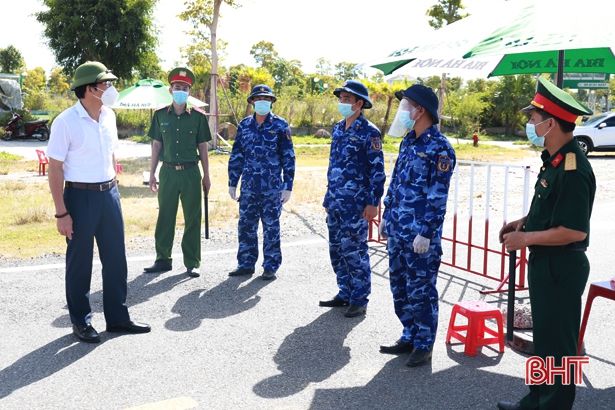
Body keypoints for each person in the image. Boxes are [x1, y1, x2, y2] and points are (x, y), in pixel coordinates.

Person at [497, 78, 595, 410]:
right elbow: (550, 209)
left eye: (533, 118)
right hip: (546, 265)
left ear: (550, 123)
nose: (529, 123)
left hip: (562, 266)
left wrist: (525, 239)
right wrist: (524, 222)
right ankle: (536, 401)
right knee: (546, 343)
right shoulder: (554, 160)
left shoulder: (574, 167)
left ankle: (556, 405)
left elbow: (574, 231)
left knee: (561, 346)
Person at [47, 61, 150, 343]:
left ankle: (117, 318)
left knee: (116, 259)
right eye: (105, 83)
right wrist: (61, 213)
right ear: (90, 89)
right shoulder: (65, 122)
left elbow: (110, 153)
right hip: (79, 197)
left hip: (109, 195)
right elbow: (54, 168)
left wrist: (113, 181)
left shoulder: (109, 116)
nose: (110, 88)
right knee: (80, 263)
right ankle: (81, 321)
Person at [379, 84, 455, 367]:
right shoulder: (408, 141)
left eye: (406, 105)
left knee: (421, 290)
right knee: (399, 287)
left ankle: (424, 343)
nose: (403, 110)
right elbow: (396, 181)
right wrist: (387, 215)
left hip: (420, 237)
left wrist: (427, 232)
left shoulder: (440, 149)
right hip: (399, 230)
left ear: (420, 110)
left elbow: (438, 196)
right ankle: (409, 334)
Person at [319, 80, 386, 318]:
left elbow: (377, 171)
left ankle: (359, 298)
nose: (343, 103)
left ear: (359, 104)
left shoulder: (370, 133)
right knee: (336, 249)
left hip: (356, 205)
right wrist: (328, 197)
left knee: (355, 251)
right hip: (336, 201)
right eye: (341, 99)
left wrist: (372, 202)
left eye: (347, 99)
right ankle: (345, 292)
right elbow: (333, 165)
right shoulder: (338, 128)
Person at [144, 67, 212, 278]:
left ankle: (192, 262)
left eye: (184, 87)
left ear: (189, 91)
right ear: (170, 90)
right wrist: (152, 173)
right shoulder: (160, 115)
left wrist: (206, 175)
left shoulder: (198, 118)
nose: (180, 90)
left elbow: (202, 148)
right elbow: (156, 146)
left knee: (193, 217)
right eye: (176, 87)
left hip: (191, 172)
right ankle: (163, 259)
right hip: (168, 172)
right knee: (165, 216)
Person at [227, 84, 295, 281]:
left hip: (272, 188)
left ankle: (270, 266)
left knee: (271, 227)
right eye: (258, 99)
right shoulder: (244, 125)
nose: (262, 102)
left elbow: (288, 156)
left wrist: (287, 185)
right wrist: (233, 181)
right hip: (248, 187)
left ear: (272, 102)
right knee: (246, 226)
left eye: (266, 99)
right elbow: (237, 154)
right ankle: (246, 264)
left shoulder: (281, 126)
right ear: (252, 102)